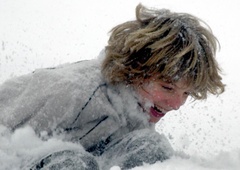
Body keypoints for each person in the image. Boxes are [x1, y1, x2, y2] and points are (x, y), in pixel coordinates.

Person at [0, 3, 225, 170]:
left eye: (186, 93)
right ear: (136, 69)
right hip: (25, 156)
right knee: (70, 163)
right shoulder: (72, 93)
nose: (176, 104)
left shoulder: (137, 105)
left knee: (150, 146)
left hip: (94, 155)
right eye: (167, 88)